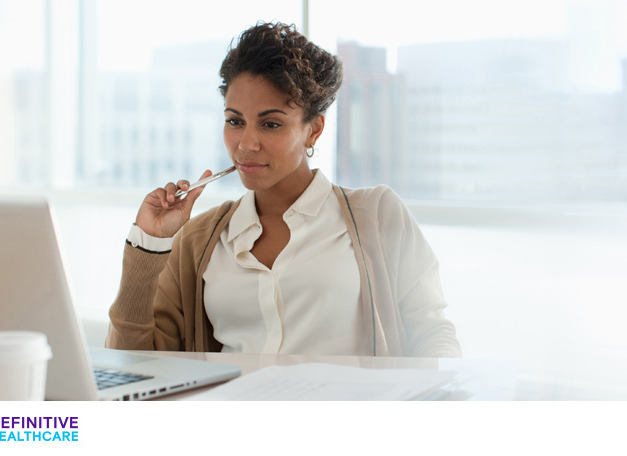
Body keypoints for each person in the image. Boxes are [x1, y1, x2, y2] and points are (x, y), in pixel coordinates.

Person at [106, 21, 461, 358]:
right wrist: (149, 242)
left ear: (313, 130)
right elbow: (134, 367)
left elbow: (432, 335)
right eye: (234, 121)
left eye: (270, 124)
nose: (246, 144)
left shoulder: (377, 214)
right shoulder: (199, 241)